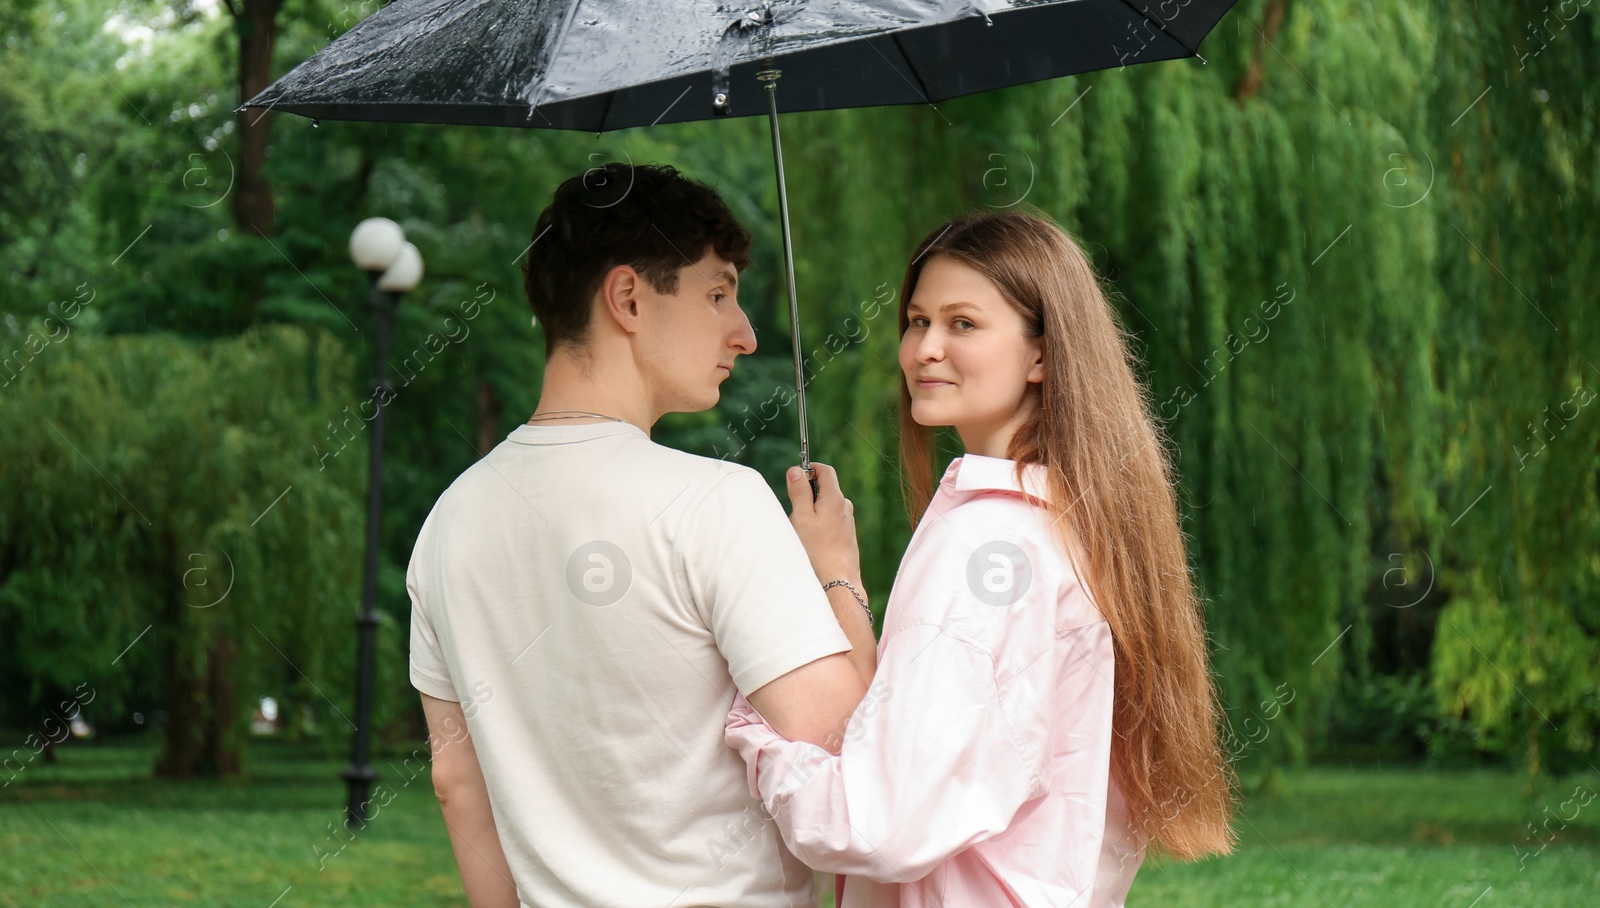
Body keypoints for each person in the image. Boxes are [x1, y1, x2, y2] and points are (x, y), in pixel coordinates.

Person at [726, 210, 1238, 907]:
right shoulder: (1071, 526)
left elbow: (876, 822)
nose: (925, 349)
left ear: (1041, 354)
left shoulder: (986, 546)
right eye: (915, 320)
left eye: (963, 323)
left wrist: (754, 726)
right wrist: (838, 570)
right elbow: (916, 734)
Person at [405, 162, 875, 908]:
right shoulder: (715, 502)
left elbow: (456, 783)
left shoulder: (448, 522)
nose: (745, 333)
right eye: (717, 293)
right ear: (627, 296)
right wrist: (836, 573)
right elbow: (846, 746)